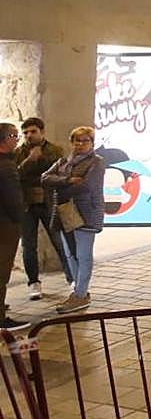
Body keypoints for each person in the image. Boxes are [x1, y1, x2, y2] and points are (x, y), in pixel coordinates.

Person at [40, 126, 105, 315]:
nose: (80, 144)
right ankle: (79, 291)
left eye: (85, 140)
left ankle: (80, 294)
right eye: (77, 140)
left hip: (86, 213)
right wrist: (67, 181)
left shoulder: (96, 162)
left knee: (84, 255)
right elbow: (45, 178)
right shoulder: (63, 161)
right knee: (70, 254)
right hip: (64, 213)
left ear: (92, 143)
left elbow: (86, 186)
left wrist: (59, 186)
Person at [15, 118, 71, 300]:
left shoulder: (55, 150)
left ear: (42, 132)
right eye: (25, 133)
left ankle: (72, 278)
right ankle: (33, 282)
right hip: (26, 205)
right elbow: (15, 175)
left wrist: (40, 161)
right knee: (28, 245)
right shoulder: (18, 152)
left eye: (33, 131)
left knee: (59, 242)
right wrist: (29, 161)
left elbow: (57, 173)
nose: (29, 136)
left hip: (48, 203)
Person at [0, 123, 32, 330]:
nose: (17, 139)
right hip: (5, 225)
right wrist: (20, 217)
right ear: (5, 139)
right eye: (14, 136)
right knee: (2, 271)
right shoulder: (6, 165)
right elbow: (13, 199)